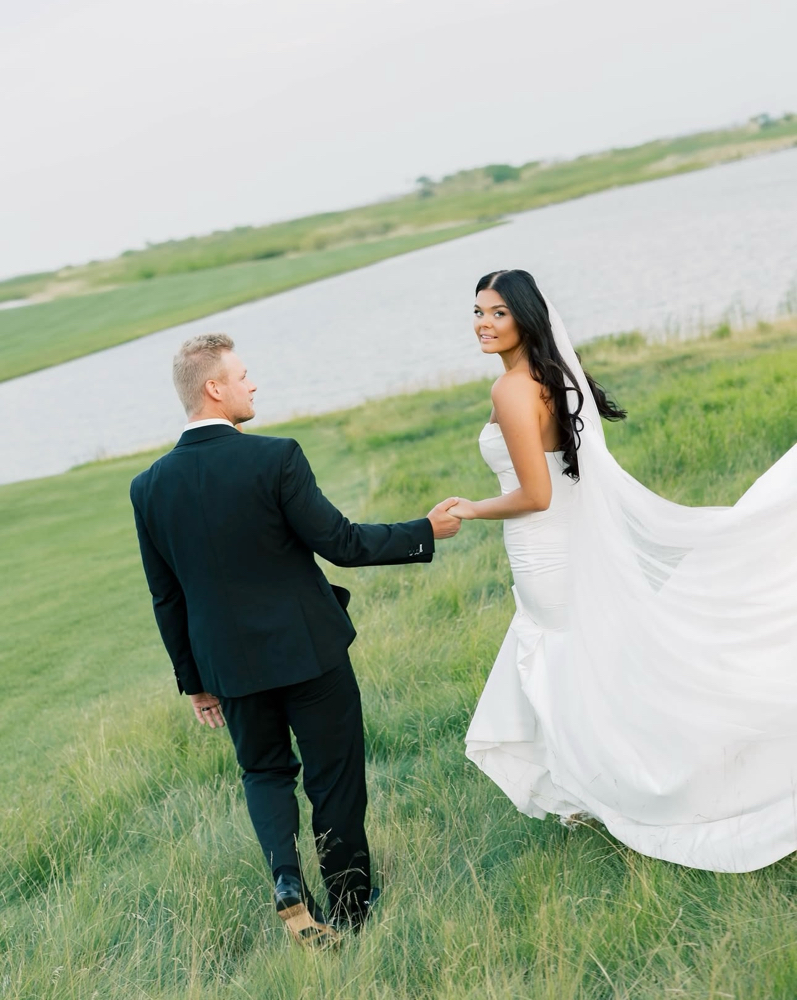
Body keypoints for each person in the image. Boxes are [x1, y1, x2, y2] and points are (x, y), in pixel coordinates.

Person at [446, 269, 797, 873]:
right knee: (584, 663)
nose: (483, 324)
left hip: (543, 548)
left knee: (562, 666)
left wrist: (471, 507)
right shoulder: (550, 377)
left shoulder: (512, 389)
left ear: (526, 317)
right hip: (572, 543)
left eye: (497, 313)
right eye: (477, 312)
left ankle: (616, 787)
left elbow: (536, 493)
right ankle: (592, 785)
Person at [130, 333, 461, 947]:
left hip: (227, 667)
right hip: (309, 653)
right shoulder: (275, 457)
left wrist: (195, 683)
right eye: (244, 375)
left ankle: (287, 880)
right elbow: (343, 544)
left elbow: (166, 596)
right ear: (214, 387)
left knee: (263, 772)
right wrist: (426, 530)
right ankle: (353, 909)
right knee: (333, 778)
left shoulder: (148, 487)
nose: (252, 385)